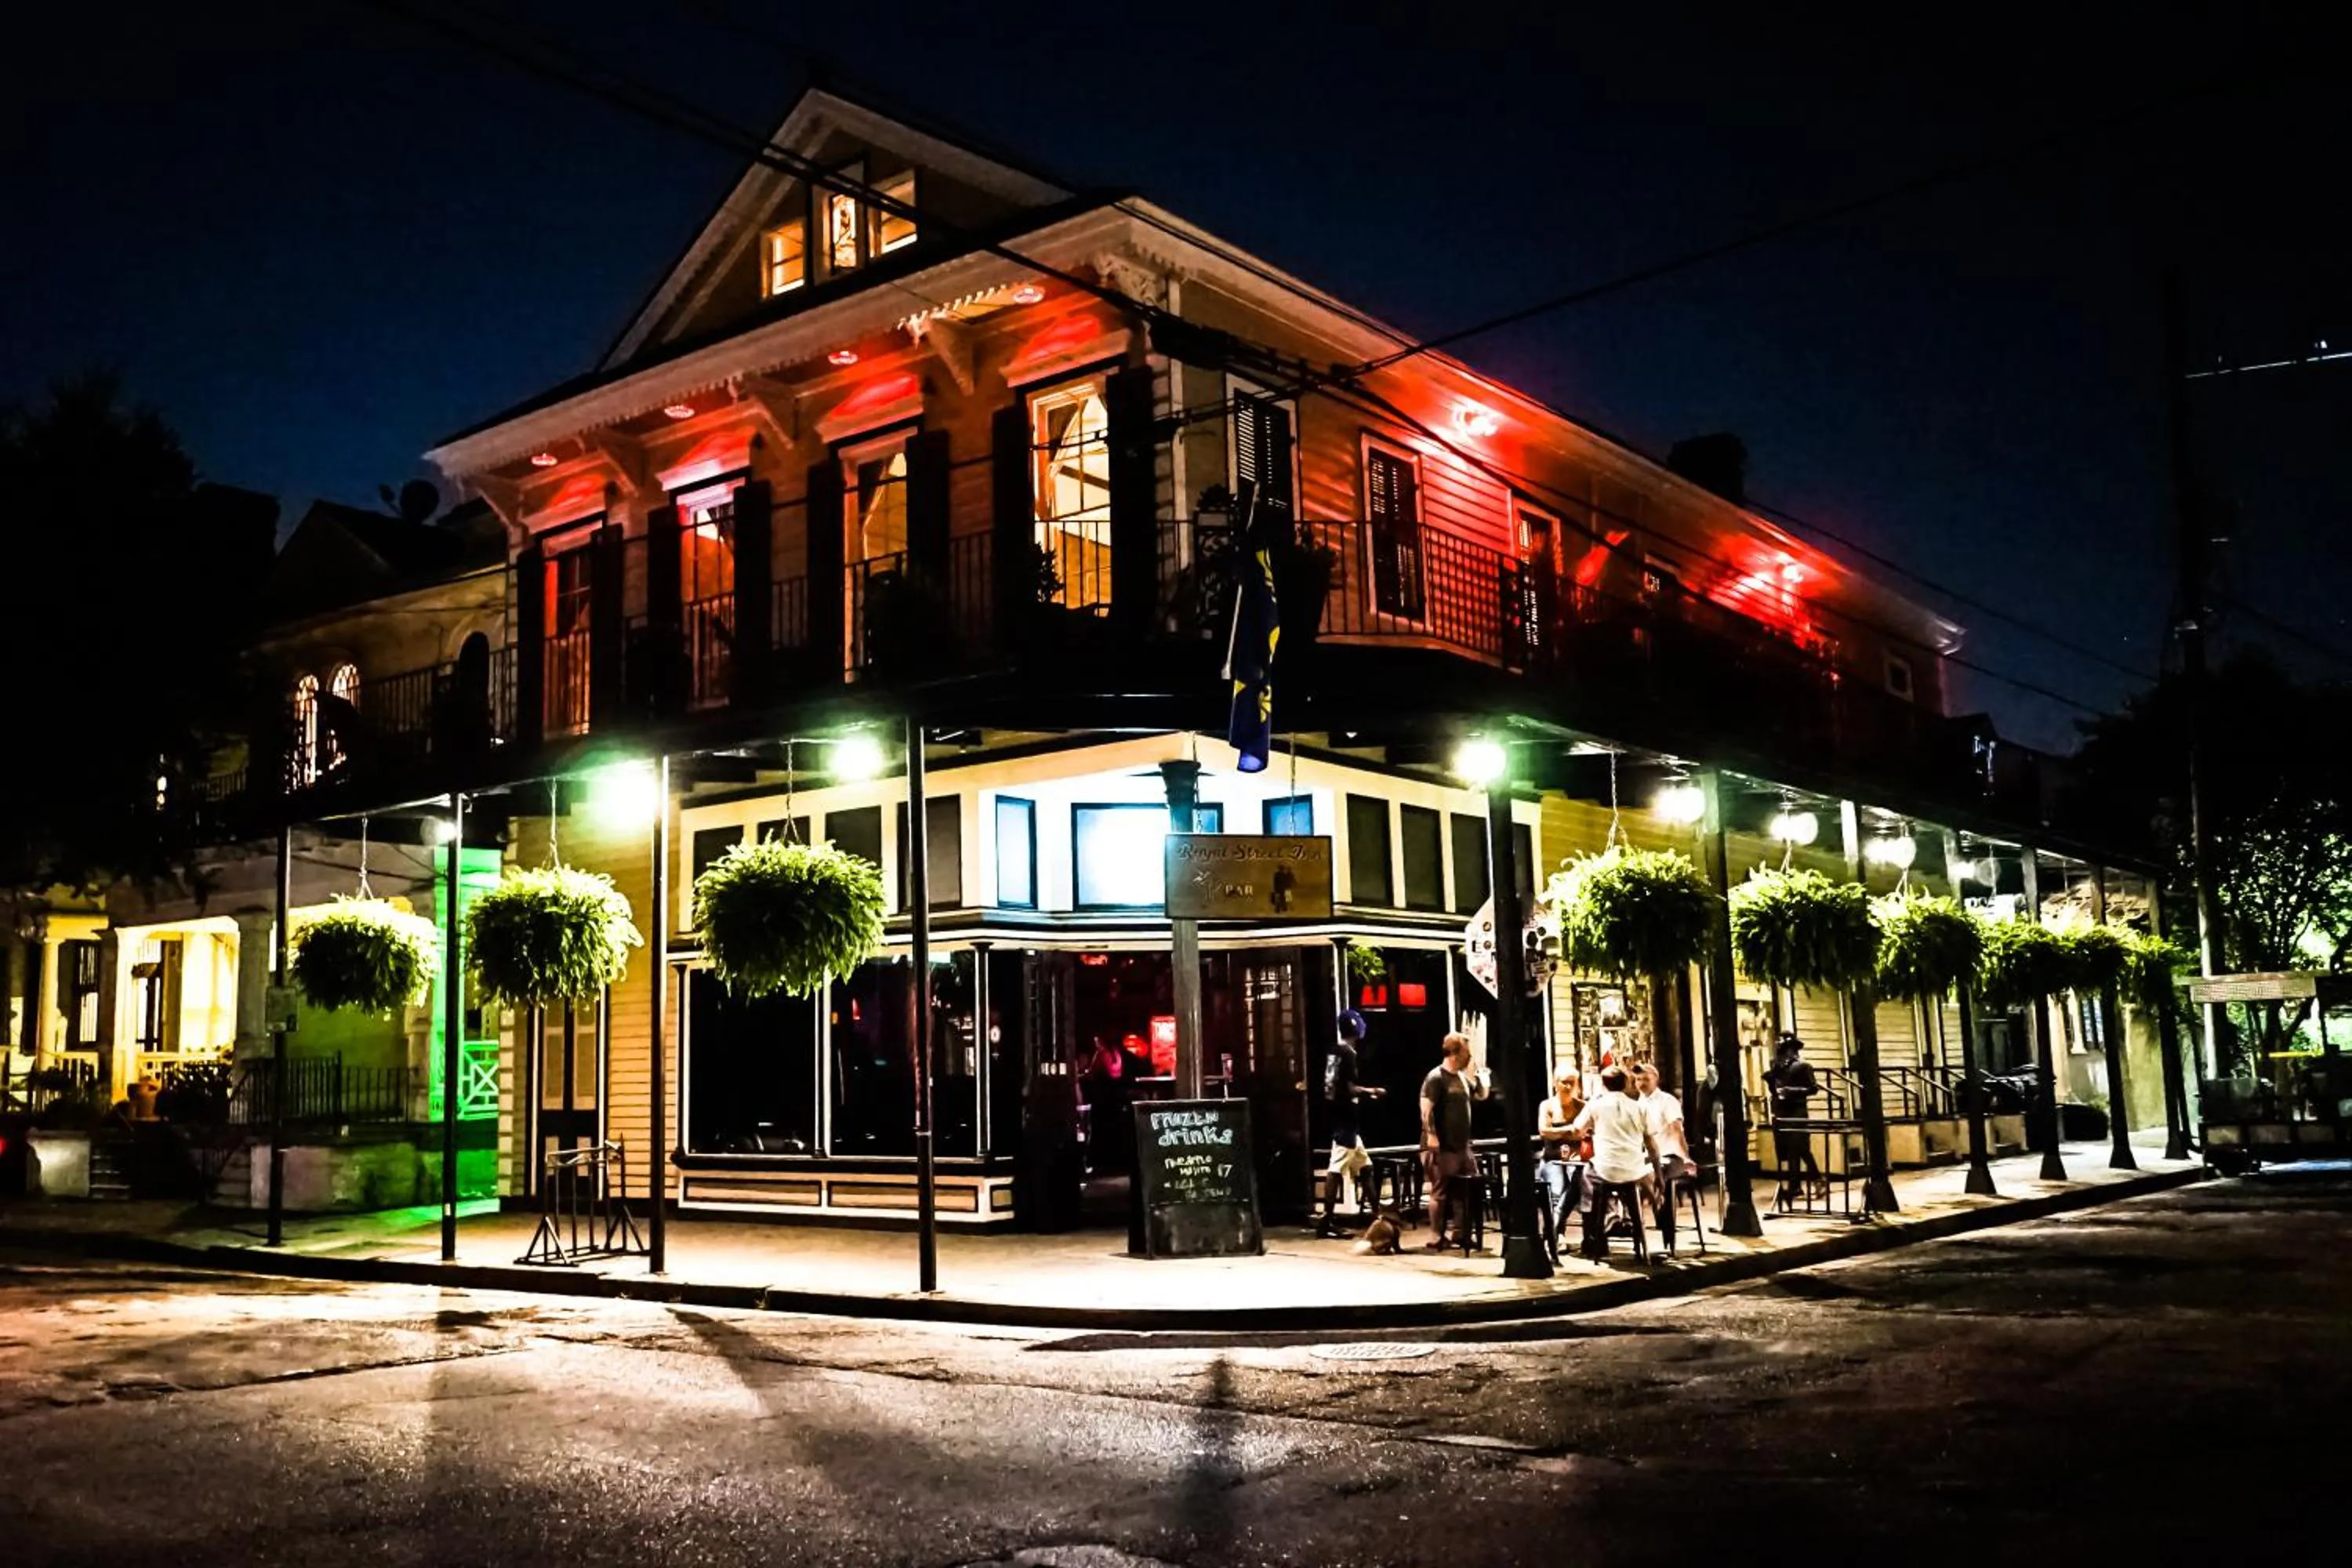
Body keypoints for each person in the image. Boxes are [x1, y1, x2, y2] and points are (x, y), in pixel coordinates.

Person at [1570, 1064, 1658, 1261]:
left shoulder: (1596, 1105)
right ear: (1626, 1083)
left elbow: (1577, 1130)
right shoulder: (1639, 1107)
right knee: (1627, 1184)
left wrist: (1590, 1129)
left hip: (1605, 1171)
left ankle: (1599, 1229)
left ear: (1603, 1084)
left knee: (1585, 1176)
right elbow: (1651, 1144)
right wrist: (1658, 1175)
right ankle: (1626, 1220)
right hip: (1634, 1171)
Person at [1315, 1010, 1385, 1237]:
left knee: (1366, 1167)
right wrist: (1371, 1091)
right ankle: (1327, 1220)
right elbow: (1350, 1088)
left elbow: (1330, 1087)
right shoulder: (1348, 1054)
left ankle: (1377, 1215)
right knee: (1336, 1168)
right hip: (1347, 1119)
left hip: (1338, 1116)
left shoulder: (1333, 1052)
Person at [1419, 1032, 1489, 1250]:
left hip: (1461, 1145)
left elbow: (1481, 1095)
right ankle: (1435, 1235)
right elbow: (1426, 1108)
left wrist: (1483, 1079)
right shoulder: (1436, 1077)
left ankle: (1461, 1232)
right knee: (1440, 1190)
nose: (1470, 1056)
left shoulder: (1461, 1077)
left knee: (1466, 1188)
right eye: (1467, 1052)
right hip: (1442, 1146)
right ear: (1455, 1053)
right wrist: (1431, 1135)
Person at [1632, 1060, 1693, 1255]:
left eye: (1646, 1079)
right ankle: (1637, 1227)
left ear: (1656, 1080)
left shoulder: (1667, 1101)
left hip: (1669, 1155)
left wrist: (1685, 1157)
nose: (1641, 1083)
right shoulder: (1635, 1103)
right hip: (1645, 1157)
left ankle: (1664, 1224)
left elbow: (1676, 1131)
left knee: (1656, 1175)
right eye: (1638, 1079)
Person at [1765, 1033, 1820, 1203]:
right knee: (1790, 1149)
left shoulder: (1803, 1067)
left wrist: (1793, 1091)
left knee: (1798, 1147)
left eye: (1787, 1049)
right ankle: (1802, 1184)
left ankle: (1802, 1184)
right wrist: (1771, 1083)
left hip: (1797, 1110)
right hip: (1782, 1110)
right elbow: (1775, 1088)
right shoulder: (1778, 1068)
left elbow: (1813, 1088)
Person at [1534, 1070, 1586, 1250]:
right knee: (1557, 1188)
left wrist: (1563, 1134)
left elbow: (1585, 1133)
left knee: (1579, 1181)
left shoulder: (1582, 1106)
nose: (1569, 1086)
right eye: (1564, 1082)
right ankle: (1557, 1235)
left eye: (1573, 1082)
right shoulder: (1547, 1106)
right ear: (1556, 1084)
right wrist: (1571, 1130)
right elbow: (1544, 1132)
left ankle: (1554, 1230)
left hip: (1575, 1158)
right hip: (1552, 1158)